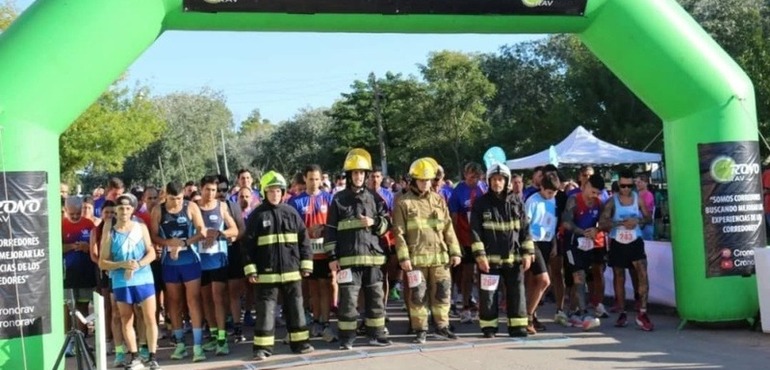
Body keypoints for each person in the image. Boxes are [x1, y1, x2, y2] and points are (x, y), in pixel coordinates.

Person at [325, 148, 392, 350]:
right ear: (349, 175)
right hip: (348, 260)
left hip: (373, 259)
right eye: (355, 173)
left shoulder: (375, 198)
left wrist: (373, 222)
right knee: (348, 302)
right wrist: (332, 257)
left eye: (362, 173)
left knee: (375, 299)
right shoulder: (338, 200)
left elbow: (387, 224)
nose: (359, 176)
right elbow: (330, 231)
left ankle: (377, 334)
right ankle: (347, 337)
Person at [243, 171, 315, 360]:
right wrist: (251, 269)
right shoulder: (257, 216)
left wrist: (306, 265)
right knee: (266, 312)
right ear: (264, 192)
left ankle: (301, 344)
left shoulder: (291, 213)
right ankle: (262, 349)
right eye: (271, 191)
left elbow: (304, 240)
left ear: (283, 192)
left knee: (296, 309)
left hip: (292, 273)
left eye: (278, 191)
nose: (275, 194)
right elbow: (247, 246)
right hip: (266, 275)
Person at [392, 158, 462, 343]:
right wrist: (403, 258)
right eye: (422, 180)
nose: (425, 183)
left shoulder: (438, 200)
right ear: (414, 180)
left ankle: (442, 327)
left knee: (442, 293)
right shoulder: (403, 202)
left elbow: (448, 227)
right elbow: (398, 233)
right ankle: (420, 329)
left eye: (428, 180)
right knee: (418, 296)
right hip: (416, 260)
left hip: (440, 258)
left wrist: (455, 252)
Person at [98, 194, 161, 370]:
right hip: (121, 280)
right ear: (116, 211)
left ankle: (151, 355)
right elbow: (103, 261)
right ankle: (134, 356)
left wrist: (137, 264)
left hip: (144, 277)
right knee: (126, 318)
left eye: (127, 208)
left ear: (132, 210)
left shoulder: (140, 226)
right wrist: (121, 264)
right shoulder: (109, 231)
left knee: (149, 317)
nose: (124, 211)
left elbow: (151, 252)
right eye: (120, 209)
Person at [471, 163, 533, 338]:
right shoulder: (481, 203)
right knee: (488, 295)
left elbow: (525, 230)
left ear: (506, 181)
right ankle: (489, 327)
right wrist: (480, 256)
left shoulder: (516, 202)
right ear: (489, 181)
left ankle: (518, 326)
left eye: (500, 179)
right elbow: (475, 232)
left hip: (514, 258)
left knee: (517, 292)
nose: (497, 183)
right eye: (494, 180)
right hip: (490, 260)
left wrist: (528, 253)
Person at [150, 182, 207, 362]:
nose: (177, 202)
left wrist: (184, 243)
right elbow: (153, 236)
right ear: (166, 196)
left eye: (180, 198)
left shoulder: (190, 207)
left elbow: (202, 231)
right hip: (169, 262)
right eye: (173, 199)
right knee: (174, 303)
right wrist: (169, 244)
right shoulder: (158, 210)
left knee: (193, 300)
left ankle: (198, 345)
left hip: (190, 259)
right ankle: (180, 343)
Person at [599, 169, 654, 331]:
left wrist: (637, 221)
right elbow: (602, 223)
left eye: (629, 186)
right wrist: (621, 223)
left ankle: (643, 312)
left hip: (635, 241)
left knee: (642, 274)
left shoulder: (638, 199)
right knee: (619, 276)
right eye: (623, 186)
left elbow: (648, 218)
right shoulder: (611, 201)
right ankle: (622, 312)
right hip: (618, 242)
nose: (626, 189)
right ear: (618, 185)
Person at [288, 164, 337, 342]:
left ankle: (325, 323)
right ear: (305, 179)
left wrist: (323, 228)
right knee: (312, 289)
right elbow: (292, 228)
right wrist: (308, 231)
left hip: (325, 252)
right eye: (311, 179)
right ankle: (315, 321)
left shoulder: (329, 198)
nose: (314, 183)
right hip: (307, 253)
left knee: (326, 286)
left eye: (317, 179)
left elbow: (335, 224)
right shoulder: (295, 201)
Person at [197, 175, 239, 355]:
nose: (211, 193)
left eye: (214, 190)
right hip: (199, 260)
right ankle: (214, 335)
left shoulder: (221, 207)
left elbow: (235, 230)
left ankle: (222, 339)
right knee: (205, 299)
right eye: (207, 189)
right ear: (201, 189)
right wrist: (202, 235)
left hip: (218, 258)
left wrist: (218, 234)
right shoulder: (194, 207)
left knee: (218, 297)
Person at [561, 174, 606, 330]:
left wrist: (597, 229)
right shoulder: (574, 200)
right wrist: (581, 231)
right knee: (578, 275)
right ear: (585, 185)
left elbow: (605, 222)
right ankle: (584, 312)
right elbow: (566, 222)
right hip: (571, 244)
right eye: (592, 192)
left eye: (597, 194)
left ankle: (572, 311)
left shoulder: (598, 204)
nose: (594, 196)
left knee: (582, 278)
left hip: (587, 246)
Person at [448, 162, 487, 323]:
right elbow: (454, 218)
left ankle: (481, 305)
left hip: (482, 238)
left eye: (477, 177)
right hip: (465, 238)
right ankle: (464, 306)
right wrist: (455, 241)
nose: (474, 180)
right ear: (465, 176)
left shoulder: (483, 188)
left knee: (483, 273)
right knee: (467, 274)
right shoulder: (458, 191)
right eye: (472, 177)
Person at [524, 173, 558, 334]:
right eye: (549, 192)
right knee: (545, 281)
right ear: (541, 188)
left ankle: (532, 313)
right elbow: (525, 226)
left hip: (547, 242)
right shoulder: (532, 201)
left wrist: (554, 243)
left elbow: (552, 223)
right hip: (533, 242)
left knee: (534, 282)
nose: (551, 195)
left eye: (554, 193)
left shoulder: (553, 200)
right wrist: (527, 248)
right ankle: (528, 316)